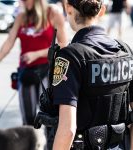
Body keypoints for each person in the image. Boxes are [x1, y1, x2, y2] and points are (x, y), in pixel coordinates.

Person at [35, 0, 133, 149]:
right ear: (102, 10)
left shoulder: (70, 57)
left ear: (68, 8)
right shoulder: (125, 51)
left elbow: (67, 130)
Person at [0, 0, 68, 125]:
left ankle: (50, 144)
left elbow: (63, 44)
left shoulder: (52, 13)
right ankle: (31, 144)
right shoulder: (22, 16)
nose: (23, 2)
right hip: (27, 72)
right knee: (28, 120)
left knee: (49, 119)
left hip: (47, 70)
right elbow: (9, 41)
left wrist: (36, 54)